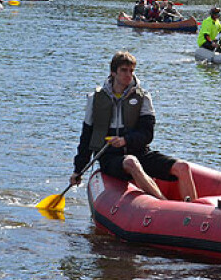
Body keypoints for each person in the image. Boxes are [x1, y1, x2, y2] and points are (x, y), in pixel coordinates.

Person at [71, 52, 198, 201]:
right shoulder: (95, 99)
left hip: (140, 152)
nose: (128, 75)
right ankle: (164, 203)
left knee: (183, 167)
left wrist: (125, 140)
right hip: (110, 158)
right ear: (113, 72)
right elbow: (86, 137)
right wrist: (78, 170)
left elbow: (147, 134)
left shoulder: (143, 97)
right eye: (124, 70)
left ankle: (195, 211)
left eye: (131, 71)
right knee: (131, 162)